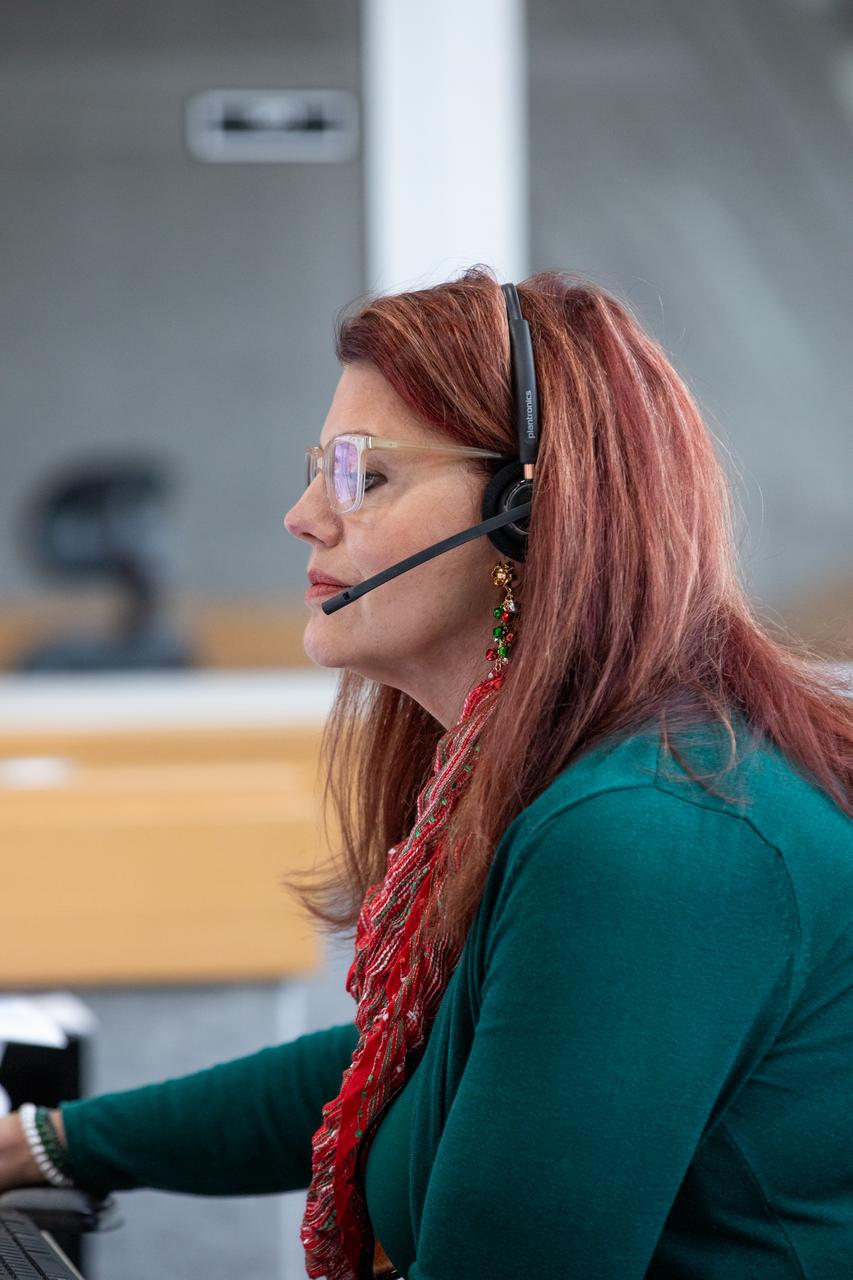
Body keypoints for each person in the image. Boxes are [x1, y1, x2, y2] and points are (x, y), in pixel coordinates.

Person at [1, 266, 852, 1280]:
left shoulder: (651, 833)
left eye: (363, 472)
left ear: (525, 512)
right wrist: (47, 1141)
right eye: (318, 467)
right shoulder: (565, 770)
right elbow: (409, 1066)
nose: (303, 514)